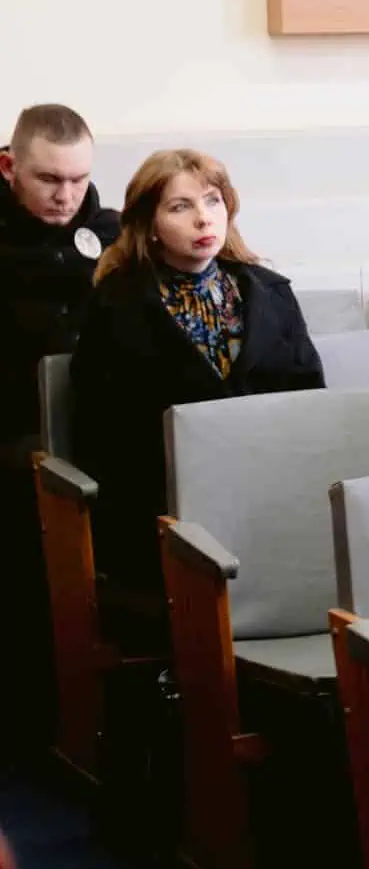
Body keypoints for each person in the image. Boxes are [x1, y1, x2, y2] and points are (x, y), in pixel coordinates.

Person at [71, 151, 324, 592]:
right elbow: (102, 434)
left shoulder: (271, 293)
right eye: (180, 206)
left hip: (271, 491)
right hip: (162, 504)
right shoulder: (116, 305)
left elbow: (311, 402)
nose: (203, 219)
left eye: (212, 201)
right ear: (150, 224)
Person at [0, 104, 119, 758]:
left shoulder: (112, 234)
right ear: (8, 166)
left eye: (78, 179)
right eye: (48, 179)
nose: (66, 196)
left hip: (97, 436)